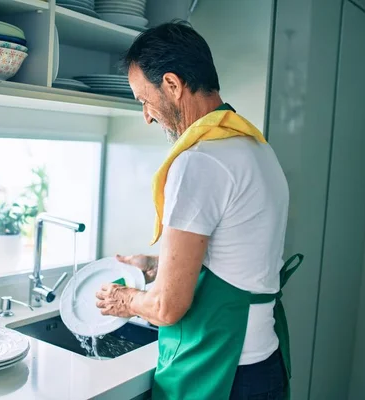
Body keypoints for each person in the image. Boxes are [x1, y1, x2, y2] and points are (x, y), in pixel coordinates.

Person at [95, 21, 303, 400]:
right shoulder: (254, 147)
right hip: (264, 367)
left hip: (223, 374)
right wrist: (160, 266)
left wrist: (122, 301)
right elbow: (238, 257)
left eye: (144, 99)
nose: (146, 115)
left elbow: (168, 307)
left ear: (172, 85)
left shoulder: (200, 161)